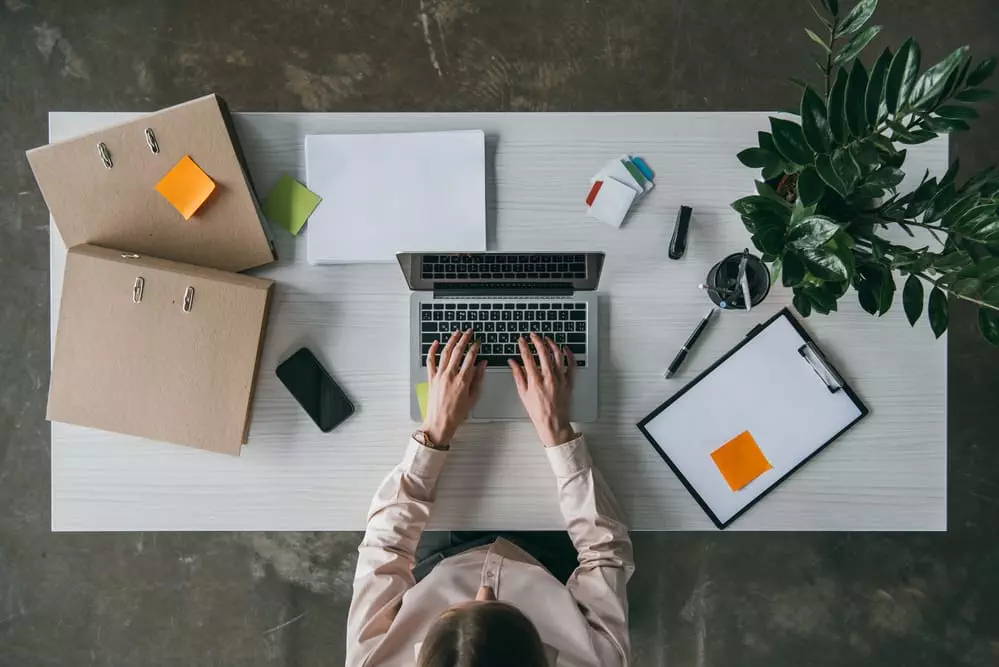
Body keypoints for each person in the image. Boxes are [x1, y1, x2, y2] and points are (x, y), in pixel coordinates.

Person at [346, 329, 634, 667]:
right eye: (503, 606)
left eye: (456, 610)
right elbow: (604, 553)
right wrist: (557, 432)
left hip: (439, 560)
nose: (484, 588)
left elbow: (386, 548)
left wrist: (435, 431)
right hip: (551, 564)